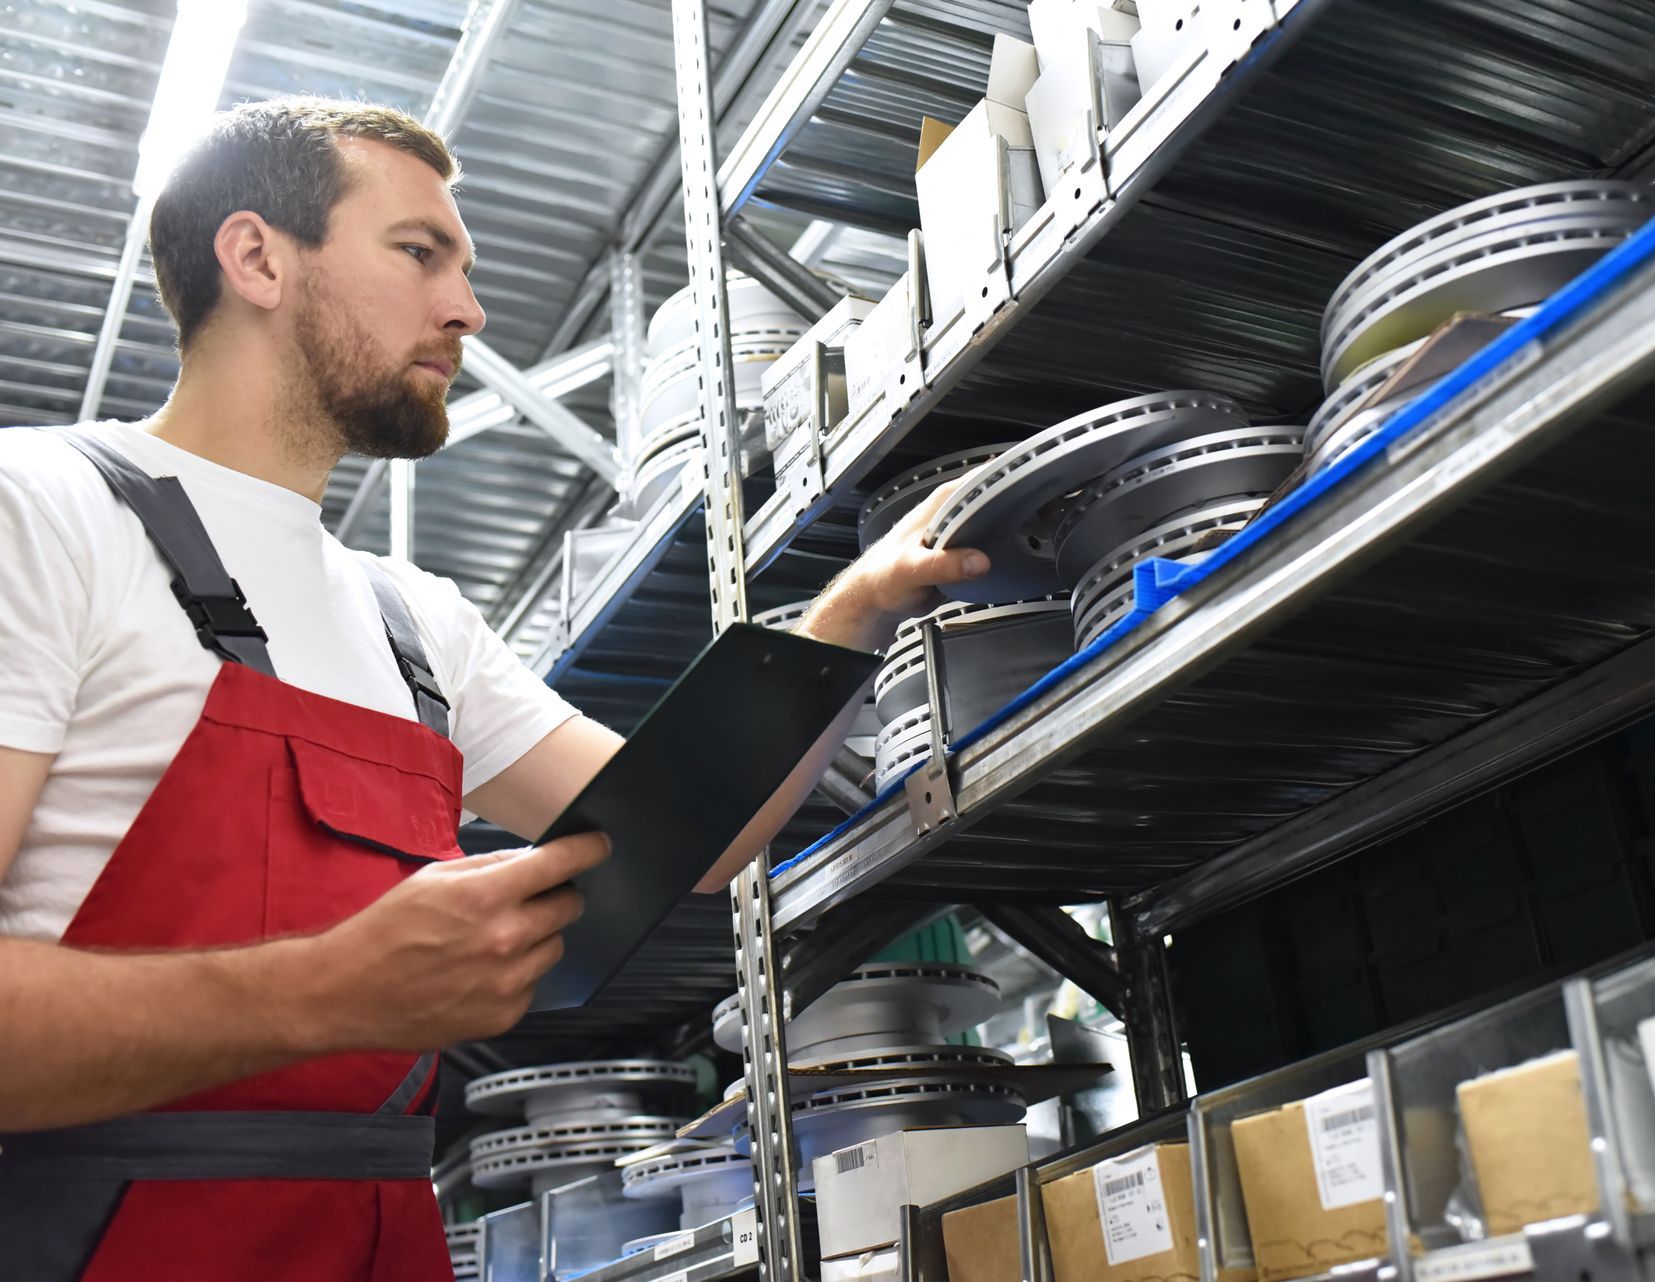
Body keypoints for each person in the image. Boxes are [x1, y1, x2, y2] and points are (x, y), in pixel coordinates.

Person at [0, 97, 988, 1281]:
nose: (467, 308)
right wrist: (327, 988)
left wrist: (847, 617)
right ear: (256, 256)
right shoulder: (44, 512)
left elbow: (695, 835)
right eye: (419, 253)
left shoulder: (413, 621)